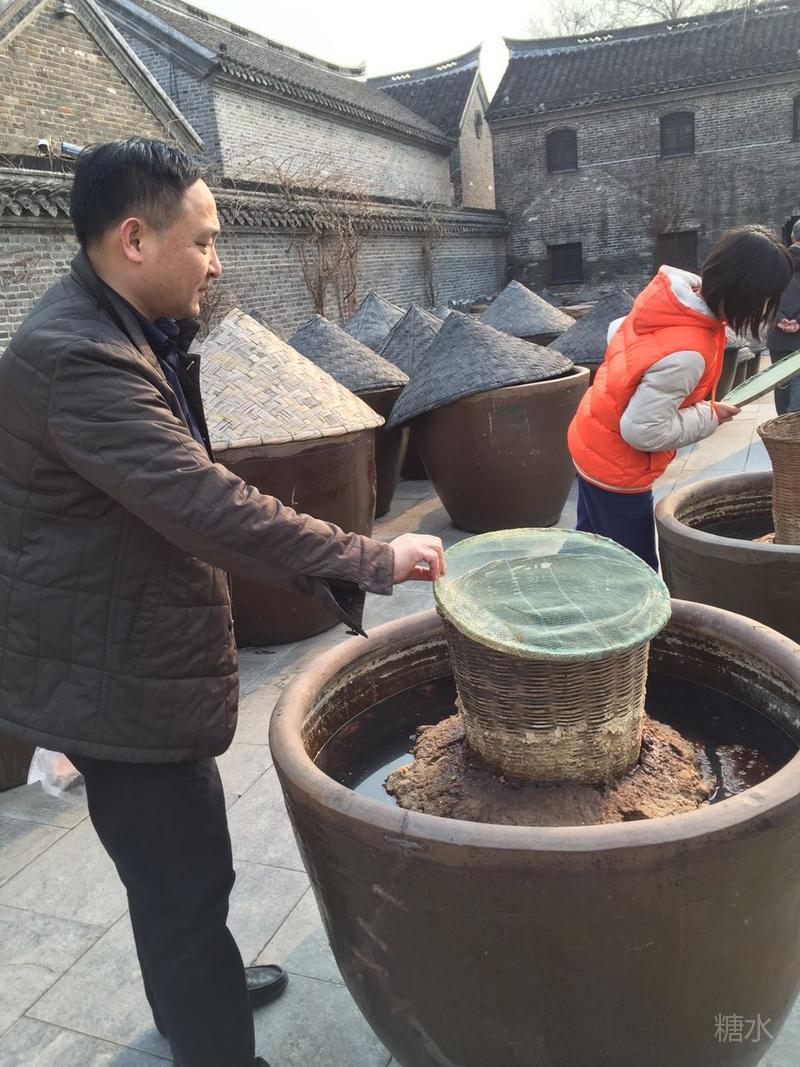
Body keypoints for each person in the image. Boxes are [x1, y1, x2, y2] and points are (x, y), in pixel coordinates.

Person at [0, 138, 445, 1067]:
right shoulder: (82, 358)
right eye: (202, 241)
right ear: (134, 239)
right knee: (185, 877)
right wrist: (373, 558)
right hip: (116, 679)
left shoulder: (115, 325)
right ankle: (213, 1040)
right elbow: (212, 507)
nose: (217, 261)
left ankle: (193, 988)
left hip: (116, 646)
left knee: (171, 875)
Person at [568, 225, 792, 569]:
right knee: (635, 568)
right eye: (766, 299)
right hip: (617, 468)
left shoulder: (672, 300)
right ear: (745, 292)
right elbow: (642, 431)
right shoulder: (688, 352)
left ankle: (567, 586)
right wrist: (709, 416)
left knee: (590, 545)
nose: (765, 310)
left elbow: (620, 335)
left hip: (591, 439)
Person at [766, 219, 800, 414]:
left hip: (777, 338)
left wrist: (779, 319)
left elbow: (763, 297)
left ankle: (782, 426)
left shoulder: (774, 263)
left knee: (782, 384)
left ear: (792, 237)